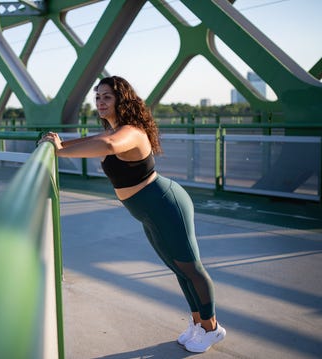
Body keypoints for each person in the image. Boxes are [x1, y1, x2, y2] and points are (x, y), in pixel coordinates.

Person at [40, 76, 226, 353]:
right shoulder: (114, 128)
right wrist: (61, 144)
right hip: (149, 211)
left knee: (192, 268)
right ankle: (198, 323)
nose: (100, 102)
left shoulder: (131, 132)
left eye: (107, 97)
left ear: (121, 100)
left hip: (165, 203)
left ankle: (212, 329)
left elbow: (109, 146)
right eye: (98, 97)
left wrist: (61, 151)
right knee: (178, 268)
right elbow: (95, 139)